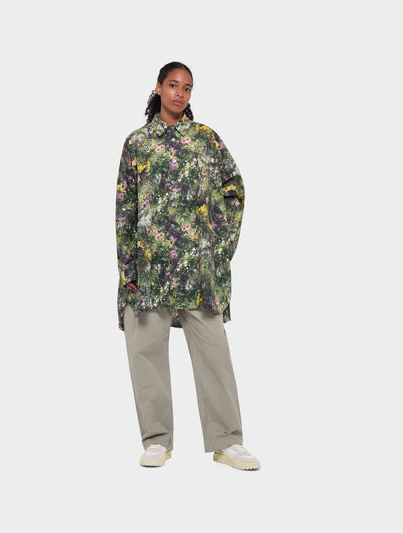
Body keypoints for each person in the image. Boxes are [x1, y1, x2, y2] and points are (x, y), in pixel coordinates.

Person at [115, 61, 260, 470]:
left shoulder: (205, 140)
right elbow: (125, 207)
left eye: (187, 87)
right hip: (150, 269)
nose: (180, 93)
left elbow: (234, 190)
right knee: (146, 354)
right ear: (158, 88)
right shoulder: (137, 143)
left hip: (198, 270)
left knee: (215, 355)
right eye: (173, 85)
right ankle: (157, 440)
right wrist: (128, 269)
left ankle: (227, 442)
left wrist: (218, 249)